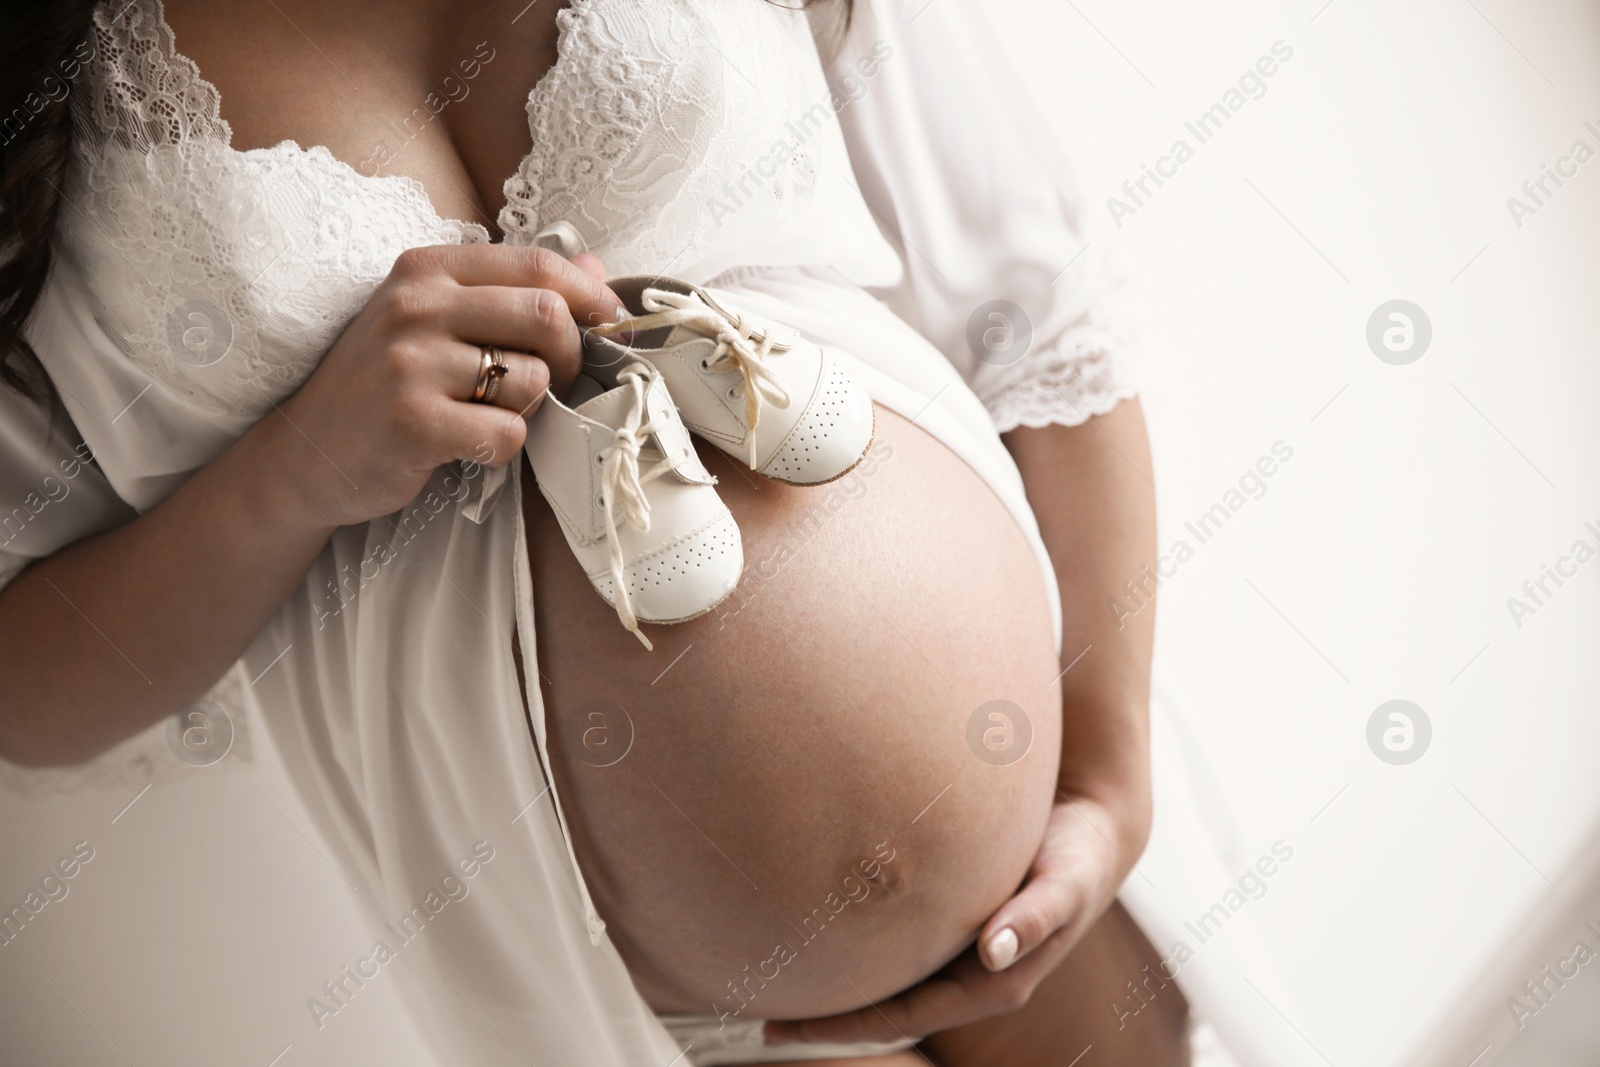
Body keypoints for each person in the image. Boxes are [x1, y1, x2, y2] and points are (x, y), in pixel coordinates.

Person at [0, 1, 1233, 1063]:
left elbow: (1035, 305)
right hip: (638, 993)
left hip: (1048, 812)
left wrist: (1111, 781)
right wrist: (289, 475)